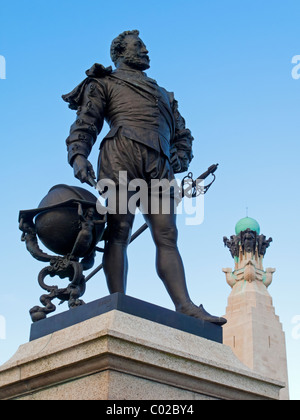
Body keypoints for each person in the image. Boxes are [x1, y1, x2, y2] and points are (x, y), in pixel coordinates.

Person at [63, 30, 226, 325]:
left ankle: (185, 305)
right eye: (138, 46)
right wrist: (78, 154)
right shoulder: (105, 82)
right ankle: (118, 300)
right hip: (120, 153)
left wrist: (181, 156)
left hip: (159, 162)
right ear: (120, 53)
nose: (146, 50)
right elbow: (87, 121)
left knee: (168, 235)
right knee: (119, 230)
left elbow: (182, 135)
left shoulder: (165, 94)